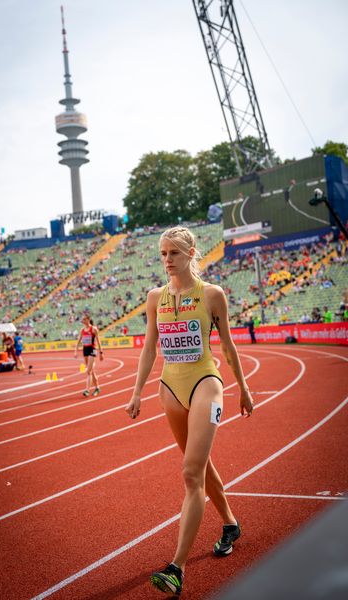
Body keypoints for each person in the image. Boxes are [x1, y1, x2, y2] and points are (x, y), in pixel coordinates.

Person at [125, 226, 254, 596]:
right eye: (163, 253)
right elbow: (150, 348)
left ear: (191, 253)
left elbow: (227, 347)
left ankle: (176, 568)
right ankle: (230, 523)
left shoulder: (212, 295)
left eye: (174, 254)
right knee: (200, 466)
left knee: (190, 473)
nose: (167, 260)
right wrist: (137, 393)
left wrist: (243, 388)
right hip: (170, 388)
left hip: (206, 386)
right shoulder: (154, 298)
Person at [74, 315, 103, 396]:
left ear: (88, 319)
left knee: (88, 371)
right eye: (82, 319)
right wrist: (76, 351)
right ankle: (97, 387)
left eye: (84, 319)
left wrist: (101, 353)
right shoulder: (82, 330)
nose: (82, 321)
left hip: (92, 349)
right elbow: (78, 341)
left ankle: (87, 390)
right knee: (91, 371)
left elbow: (98, 341)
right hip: (85, 350)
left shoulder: (94, 329)